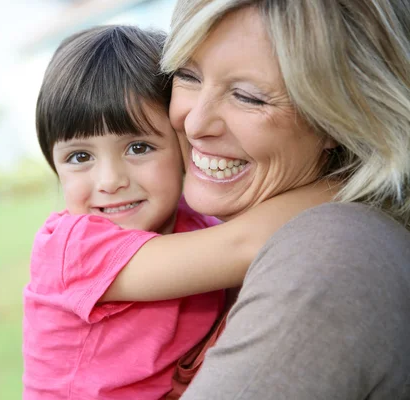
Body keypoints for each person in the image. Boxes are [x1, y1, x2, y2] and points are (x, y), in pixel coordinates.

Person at [22, 25, 333, 399]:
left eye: (138, 148)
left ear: (183, 143)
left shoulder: (194, 223)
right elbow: (245, 245)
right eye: (79, 157)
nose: (109, 180)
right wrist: (362, 177)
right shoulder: (75, 248)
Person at [158, 0, 410, 399]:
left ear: (339, 119)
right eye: (188, 75)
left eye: (248, 97)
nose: (194, 122)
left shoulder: (326, 257)